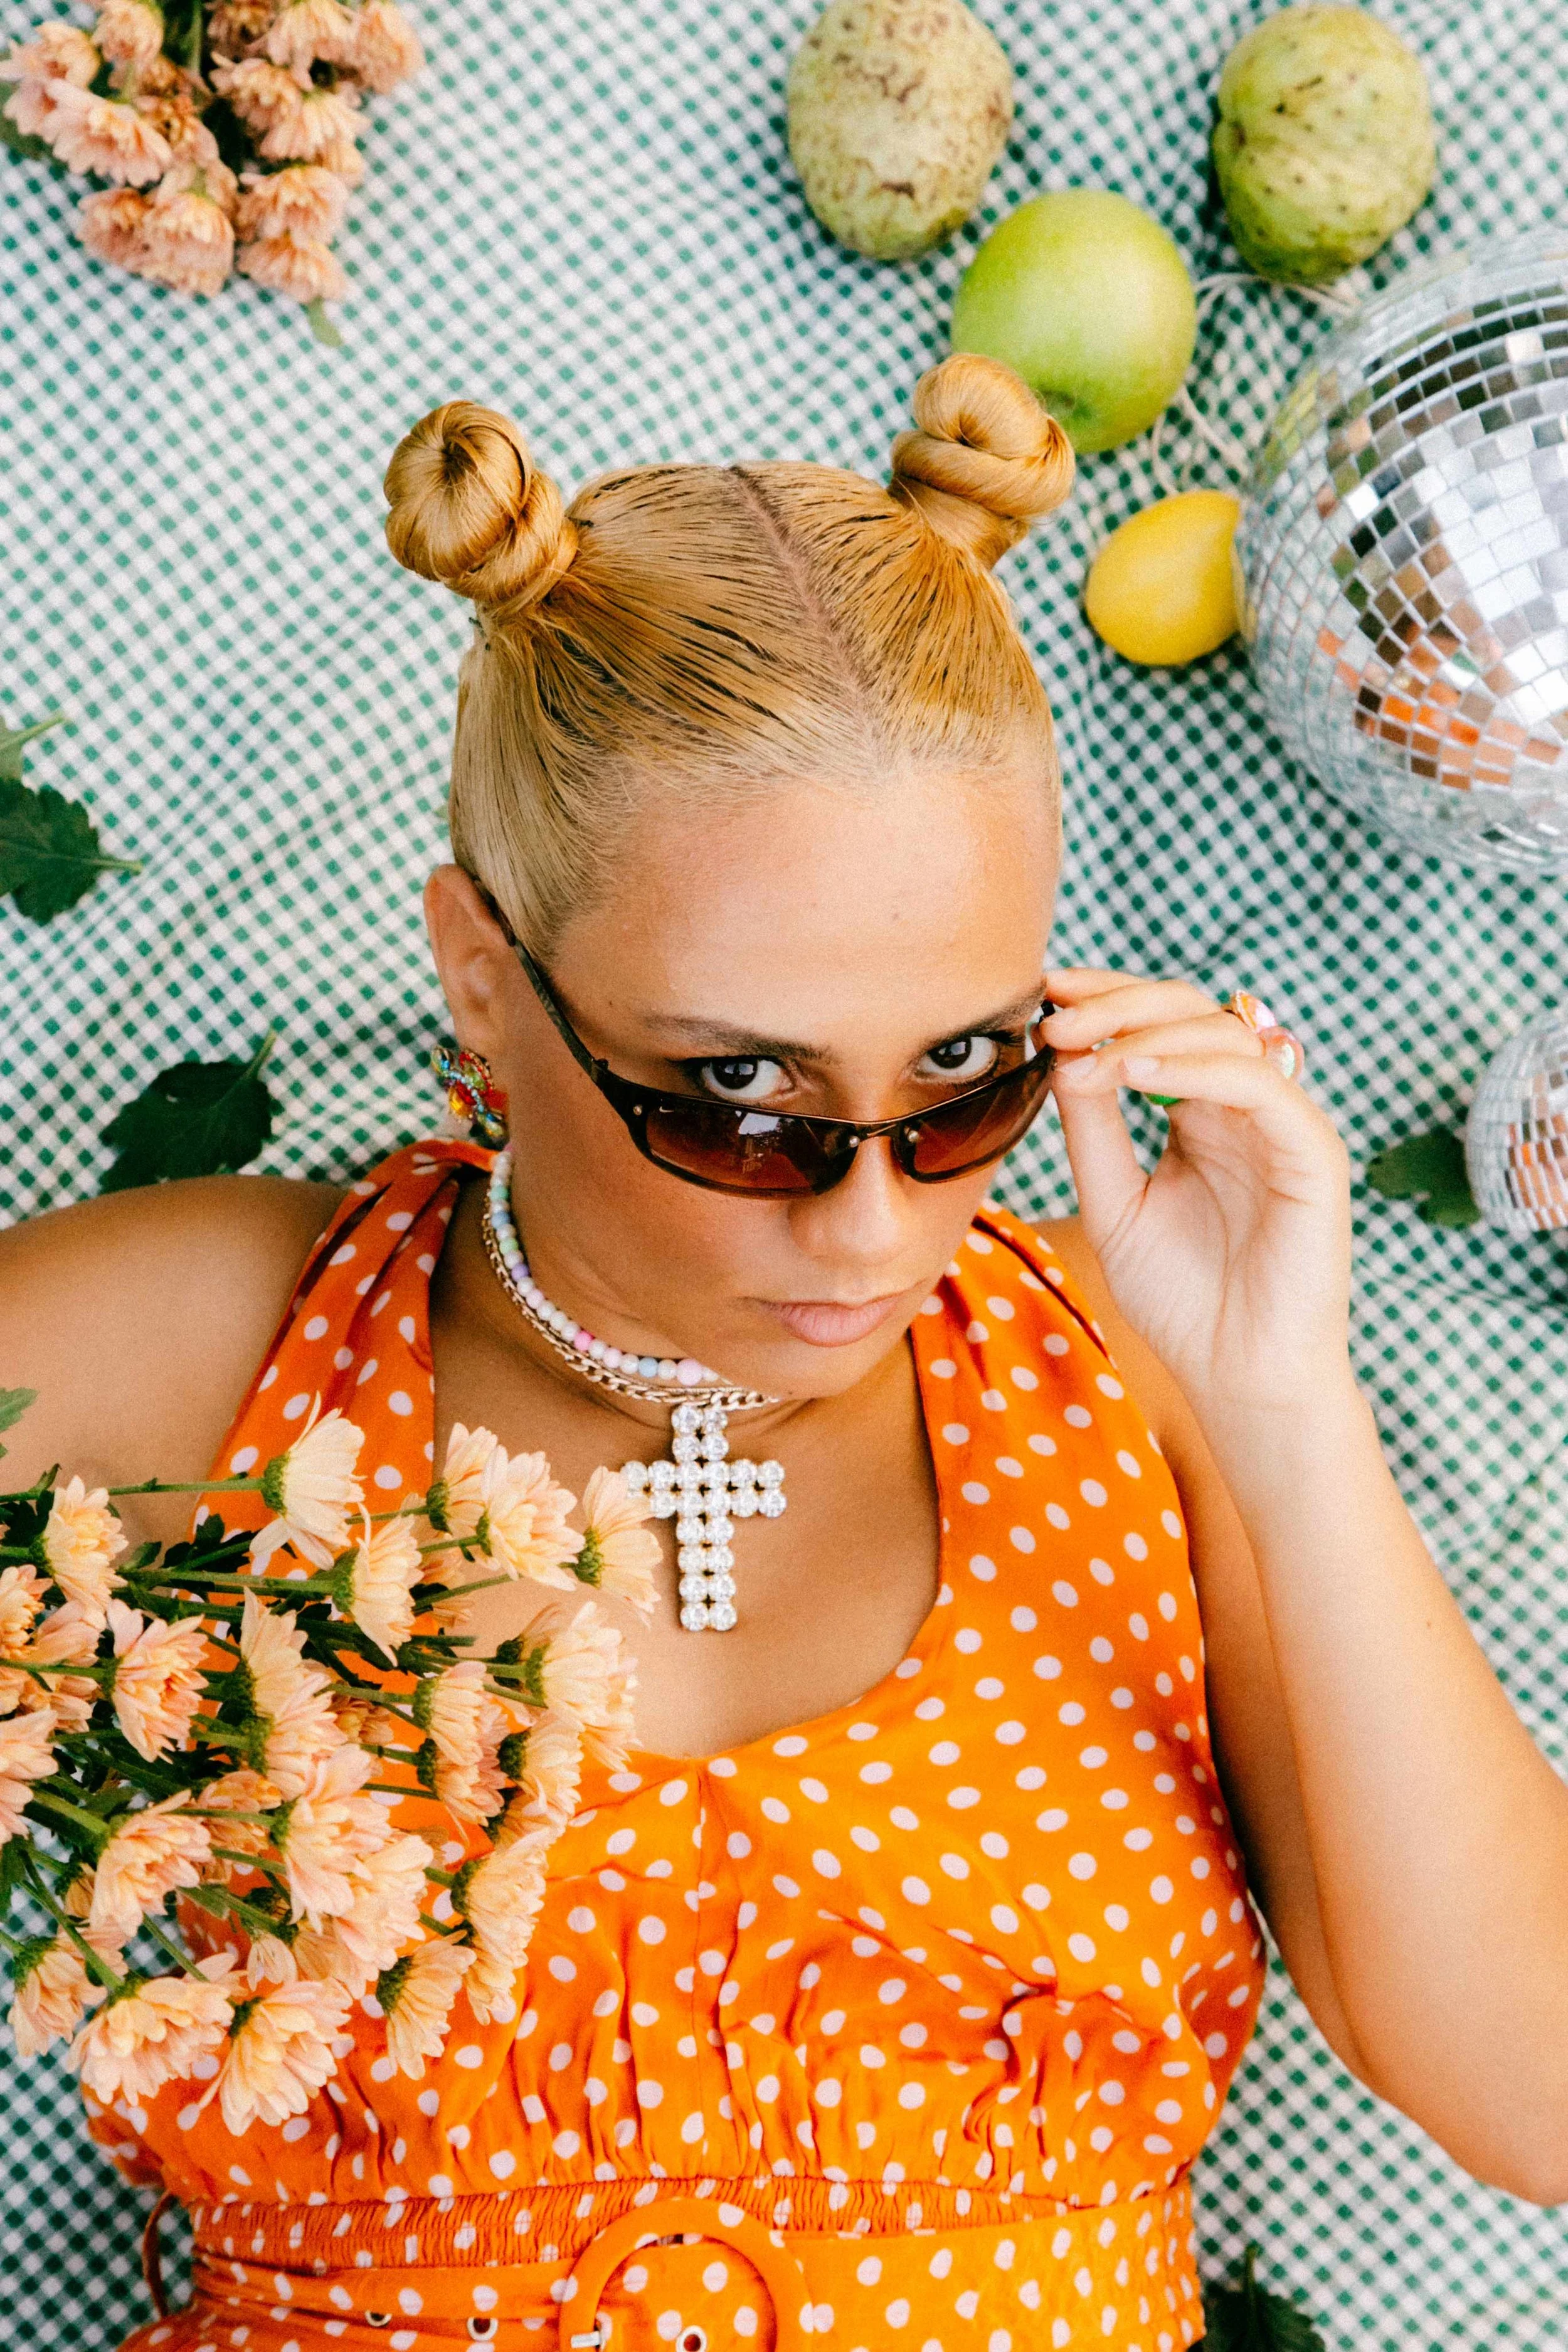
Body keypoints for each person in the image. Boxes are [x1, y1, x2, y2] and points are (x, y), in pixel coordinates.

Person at [3, 354, 1564, 2352]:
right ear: (481, 972)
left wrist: (1282, 1405)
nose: (872, 1221)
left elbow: (1532, 2097)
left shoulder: (1137, 1372)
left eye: (967, 1076)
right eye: (733, 1091)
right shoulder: (209, 1343)